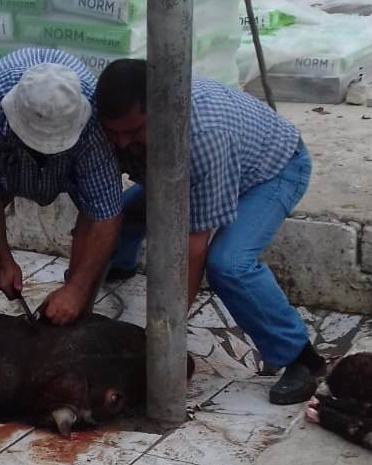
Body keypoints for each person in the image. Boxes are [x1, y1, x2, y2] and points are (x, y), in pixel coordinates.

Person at [95, 59, 325, 405]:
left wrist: (166, 332)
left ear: (161, 111)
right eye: (114, 133)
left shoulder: (203, 136)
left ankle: (301, 357)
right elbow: (95, 204)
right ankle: (123, 264)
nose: (123, 143)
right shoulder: (113, 128)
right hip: (188, 171)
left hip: (270, 171)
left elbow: (192, 250)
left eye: (134, 132)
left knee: (228, 263)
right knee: (118, 214)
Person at [0, 47, 123, 326]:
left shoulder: (91, 117)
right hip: (8, 163)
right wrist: (3, 261)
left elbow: (105, 215)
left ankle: (74, 317)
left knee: (92, 246)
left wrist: (76, 291)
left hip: (72, 164)